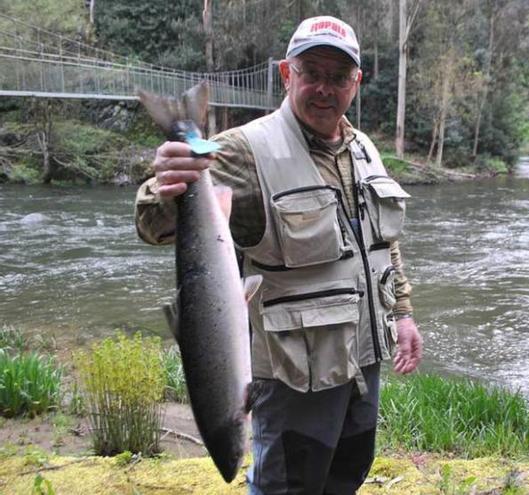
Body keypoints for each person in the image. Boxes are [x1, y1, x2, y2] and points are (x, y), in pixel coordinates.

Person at [134, 16, 423, 495]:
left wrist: (404, 314)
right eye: (312, 73)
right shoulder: (245, 151)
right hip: (294, 379)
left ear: (357, 82)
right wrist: (167, 179)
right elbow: (150, 222)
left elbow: (382, 241)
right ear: (288, 75)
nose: (324, 89)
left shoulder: (364, 148)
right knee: (286, 487)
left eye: (338, 77)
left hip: (364, 362)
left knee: (346, 477)